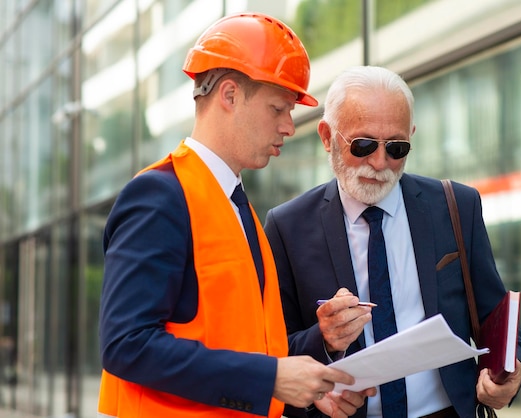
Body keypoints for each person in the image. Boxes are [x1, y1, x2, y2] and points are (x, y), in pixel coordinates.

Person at [97, 13, 375, 418]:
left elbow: (251, 351)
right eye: (278, 108)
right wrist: (270, 380)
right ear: (229, 95)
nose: (289, 126)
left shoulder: (236, 207)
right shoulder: (160, 195)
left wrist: (312, 374)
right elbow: (126, 344)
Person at [264, 66, 521, 418]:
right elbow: (273, 349)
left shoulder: (456, 206)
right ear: (327, 137)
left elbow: (496, 316)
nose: (379, 162)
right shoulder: (287, 226)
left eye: (397, 147)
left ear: (411, 136)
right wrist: (324, 339)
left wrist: (512, 371)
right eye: (363, 145)